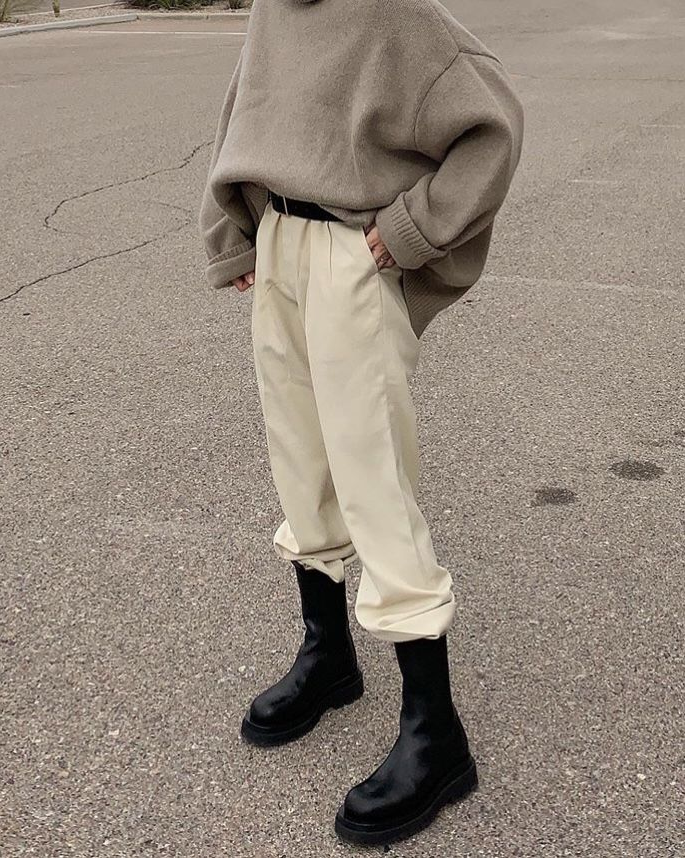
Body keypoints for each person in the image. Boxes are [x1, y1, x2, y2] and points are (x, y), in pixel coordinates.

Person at [198, 0, 524, 846]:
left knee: (372, 474)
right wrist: (236, 229)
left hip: (352, 254)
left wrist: (411, 230)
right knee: (299, 459)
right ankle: (329, 655)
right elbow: (247, 109)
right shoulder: (275, 7)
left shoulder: (392, 12)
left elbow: (491, 125)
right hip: (281, 242)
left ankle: (435, 732)